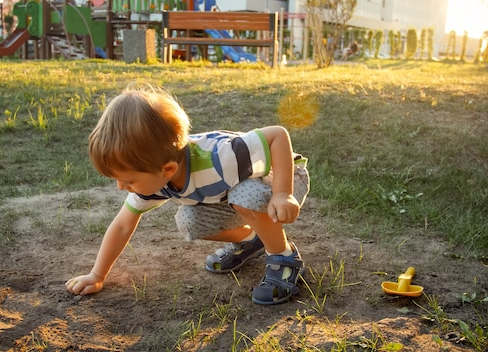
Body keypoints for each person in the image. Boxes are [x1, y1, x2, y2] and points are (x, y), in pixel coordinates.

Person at [65, 84, 310, 305]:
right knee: (188, 222)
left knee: (246, 194)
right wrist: (97, 275)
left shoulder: (220, 158)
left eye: (128, 180)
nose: (121, 187)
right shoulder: (155, 178)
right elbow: (121, 226)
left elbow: (277, 135)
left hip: (282, 178)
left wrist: (282, 193)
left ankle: (283, 256)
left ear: (168, 170)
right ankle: (251, 240)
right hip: (233, 197)